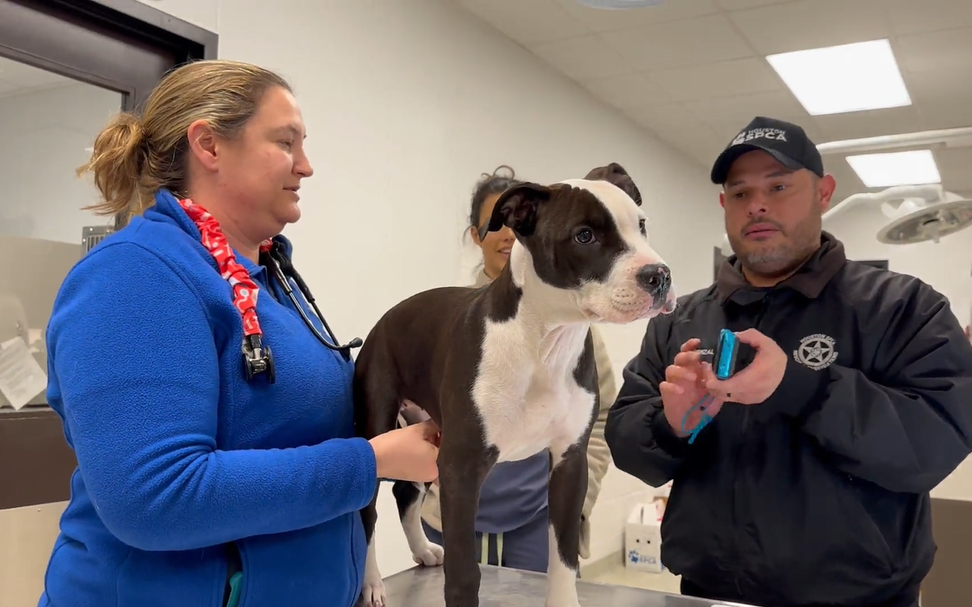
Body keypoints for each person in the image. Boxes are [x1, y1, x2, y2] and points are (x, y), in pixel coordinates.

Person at [38, 59, 439, 607]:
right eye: (285, 142)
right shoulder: (134, 275)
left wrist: (389, 404)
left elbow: (276, 423)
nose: (306, 166)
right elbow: (156, 498)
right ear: (209, 145)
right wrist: (370, 463)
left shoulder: (270, 279)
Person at [604, 116, 972, 607]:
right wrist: (670, 425)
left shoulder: (903, 308)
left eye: (778, 186)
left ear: (824, 193)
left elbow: (936, 443)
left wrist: (804, 388)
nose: (757, 204)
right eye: (740, 192)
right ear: (724, 205)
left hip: (862, 598)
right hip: (709, 593)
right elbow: (626, 443)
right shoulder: (680, 321)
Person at [400, 165, 617, 573]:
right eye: (498, 223)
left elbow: (602, 415)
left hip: (536, 522)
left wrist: (576, 502)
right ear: (476, 234)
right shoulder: (445, 320)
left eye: (523, 222)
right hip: (450, 518)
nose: (510, 234)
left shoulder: (574, 324)